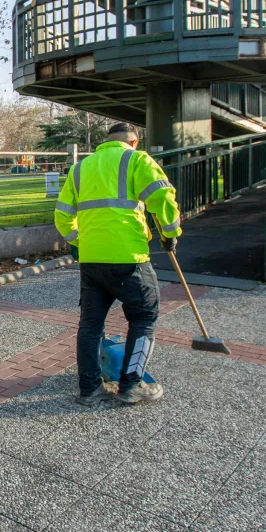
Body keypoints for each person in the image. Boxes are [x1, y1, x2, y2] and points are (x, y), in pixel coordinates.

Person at [54, 123, 182, 406]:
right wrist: (170, 235)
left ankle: (89, 389)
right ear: (134, 142)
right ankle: (131, 385)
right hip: (129, 258)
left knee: (90, 325)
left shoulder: (80, 168)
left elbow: (62, 215)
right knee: (144, 318)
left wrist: (78, 242)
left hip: (91, 260)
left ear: (106, 141)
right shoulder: (137, 160)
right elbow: (163, 198)